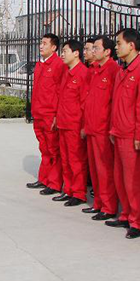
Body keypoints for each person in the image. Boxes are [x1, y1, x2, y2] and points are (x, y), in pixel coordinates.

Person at [107, 28, 140, 239]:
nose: (116, 47)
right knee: (120, 178)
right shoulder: (123, 70)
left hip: (132, 135)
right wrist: (113, 127)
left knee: (134, 181)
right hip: (119, 132)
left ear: (131, 45)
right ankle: (126, 214)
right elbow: (117, 103)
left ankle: (138, 220)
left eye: (119, 43)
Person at [82, 36, 120, 220]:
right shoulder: (95, 70)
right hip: (92, 127)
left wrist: (112, 128)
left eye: (96, 48)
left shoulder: (113, 71)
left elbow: (114, 103)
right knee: (96, 170)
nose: (93, 51)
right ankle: (98, 203)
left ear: (107, 52)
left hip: (103, 129)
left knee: (105, 170)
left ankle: (108, 206)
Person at [26, 34, 65, 196]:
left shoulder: (58, 65)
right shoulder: (40, 64)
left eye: (44, 43)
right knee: (44, 148)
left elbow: (60, 92)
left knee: (53, 149)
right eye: (40, 43)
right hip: (39, 113)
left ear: (54, 47)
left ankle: (54, 183)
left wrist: (56, 115)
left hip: (50, 115)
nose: (41, 46)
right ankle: (44, 178)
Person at [54, 40, 89, 207]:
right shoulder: (67, 72)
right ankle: (68, 189)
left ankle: (78, 192)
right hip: (64, 122)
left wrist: (83, 126)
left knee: (76, 160)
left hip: (75, 124)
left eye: (65, 51)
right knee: (66, 159)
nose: (62, 54)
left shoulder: (83, 73)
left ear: (76, 53)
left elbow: (84, 103)